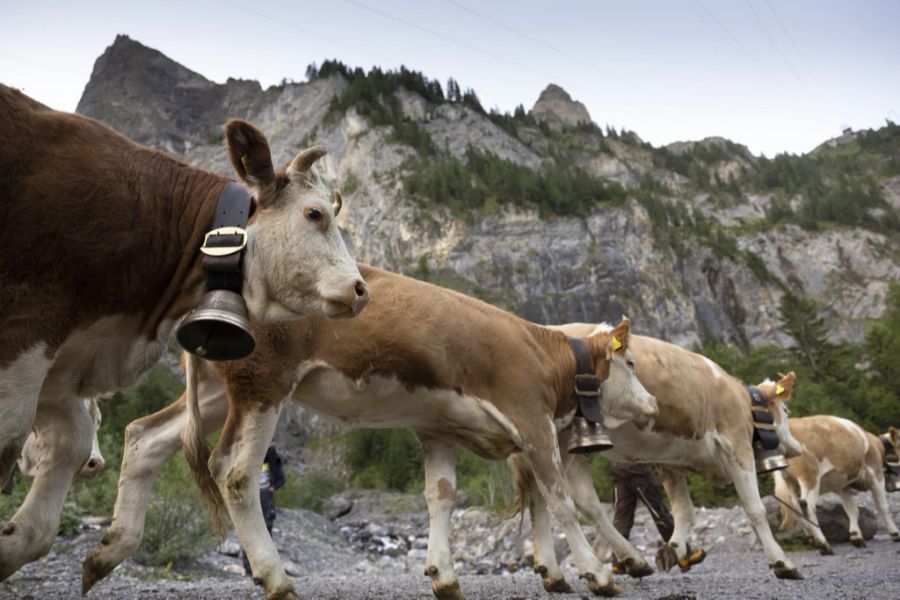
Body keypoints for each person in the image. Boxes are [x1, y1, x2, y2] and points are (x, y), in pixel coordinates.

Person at [609, 461, 706, 574]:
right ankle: (684, 554)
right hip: (637, 468)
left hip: (617, 469)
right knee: (658, 511)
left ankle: (617, 562)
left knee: (621, 516)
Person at [241, 446, 286, 576]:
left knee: (266, 531)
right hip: (249, 497)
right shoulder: (245, 450)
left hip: (266, 496)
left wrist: (273, 487)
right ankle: (249, 568)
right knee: (248, 531)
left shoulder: (271, 453)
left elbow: (281, 478)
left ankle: (266, 567)